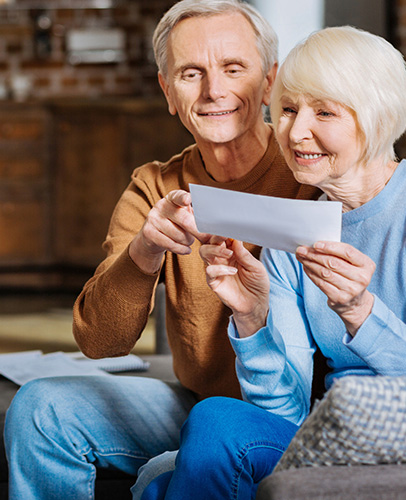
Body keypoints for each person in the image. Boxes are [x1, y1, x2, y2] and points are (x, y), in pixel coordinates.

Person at [154, 25, 406, 499]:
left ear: (375, 117)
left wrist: (360, 312)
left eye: (324, 112)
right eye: (289, 109)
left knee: (198, 443)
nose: (295, 132)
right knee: (186, 456)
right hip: (343, 434)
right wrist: (252, 319)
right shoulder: (295, 231)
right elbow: (286, 414)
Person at [3, 1, 321, 499]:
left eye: (233, 69)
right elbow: (98, 342)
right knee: (40, 407)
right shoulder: (154, 186)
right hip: (198, 405)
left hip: (296, 417)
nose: (214, 90)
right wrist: (145, 249)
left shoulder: (312, 171)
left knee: (211, 434)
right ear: (167, 92)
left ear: (269, 82)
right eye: (191, 73)